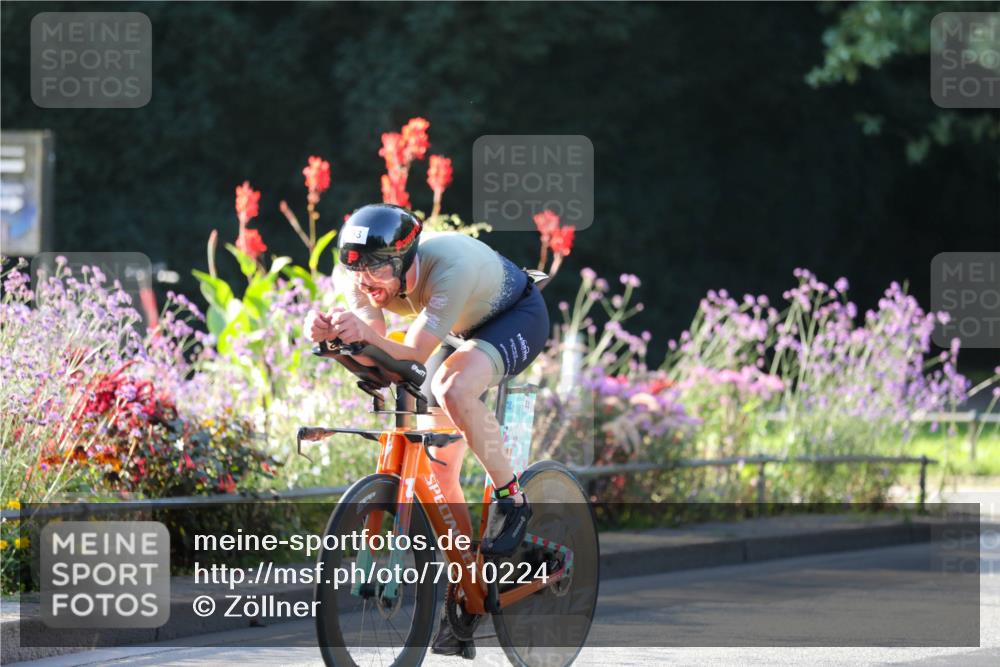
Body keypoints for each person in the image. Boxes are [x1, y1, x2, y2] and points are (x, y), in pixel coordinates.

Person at [304, 203, 550, 658]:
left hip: (513, 317)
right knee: (438, 475)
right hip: (454, 332)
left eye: (377, 270)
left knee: (453, 388)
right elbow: (380, 358)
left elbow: (414, 353)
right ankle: (467, 592)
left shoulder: (447, 265)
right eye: (357, 271)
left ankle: (512, 497)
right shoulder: (356, 275)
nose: (365, 283)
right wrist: (331, 338)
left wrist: (362, 334)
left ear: (403, 259)